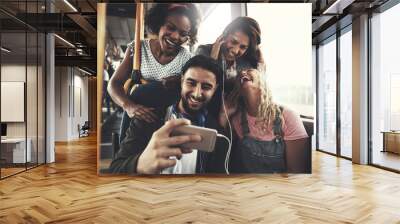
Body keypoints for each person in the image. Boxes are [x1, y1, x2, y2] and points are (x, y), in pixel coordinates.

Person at [109, 55, 228, 174]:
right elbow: (115, 169)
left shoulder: (216, 132)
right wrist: (139, 164)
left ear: (215, 89)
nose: (197, 94)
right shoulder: (149, 119)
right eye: (191, 83)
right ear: (182, 81)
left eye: (206, 87)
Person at [108, 3, 201, 124]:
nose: (175, 36)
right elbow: (114, 84)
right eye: (170, 27)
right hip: (138, 117)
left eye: (183, 34)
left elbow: (193, 92)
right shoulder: (138, 48)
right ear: (159, 24)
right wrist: (128, 106)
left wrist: (181, 82)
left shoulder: (187, 58)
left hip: (168, 120)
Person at [220, 68, 310, 173]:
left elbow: (295, 171)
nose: (243, 73)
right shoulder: (236, 119)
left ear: (263, 82)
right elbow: (224, 160)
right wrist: (223, 115)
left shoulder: (287, 116)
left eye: (249, 70)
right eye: (240, 74)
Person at [195, 16, 264, 117]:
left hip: (235, 117)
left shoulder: (246, 63)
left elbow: (259, 88)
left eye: (243, 47)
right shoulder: (204, 51)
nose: (235, 51)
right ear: (224, 35)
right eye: (234, 42)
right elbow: (200, 86)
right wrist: (213, 59)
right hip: (204, 113)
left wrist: (260, 60)